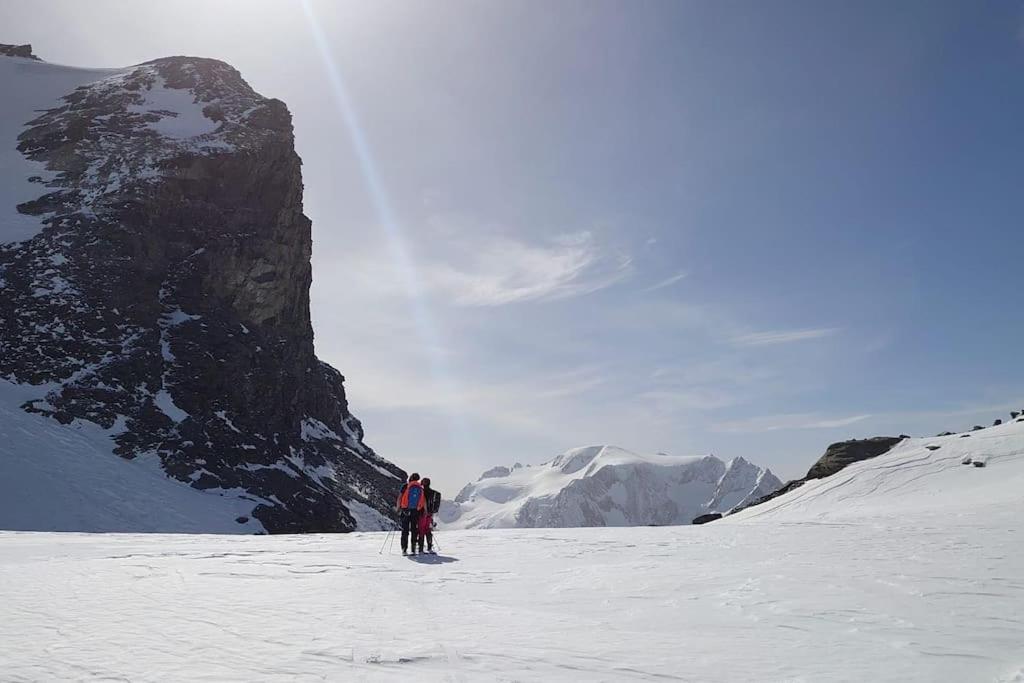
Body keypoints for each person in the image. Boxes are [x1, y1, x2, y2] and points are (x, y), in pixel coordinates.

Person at [396, 472, 426, 555]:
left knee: (405, 530)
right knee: (414, 530)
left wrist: (398, 508)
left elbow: (400, 497)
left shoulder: (405, 486)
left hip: (405, 510)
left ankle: (404, 549)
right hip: (415, 511)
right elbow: (422, 500)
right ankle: (413, 549)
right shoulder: (420, 488)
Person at [417, 477, 441, 554]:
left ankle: (421, 548)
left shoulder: (420, 492)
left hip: (422, 513)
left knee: (421, 530)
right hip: (430, 513)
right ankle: (429, 547)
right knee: (428, 530)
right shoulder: (433, 493)